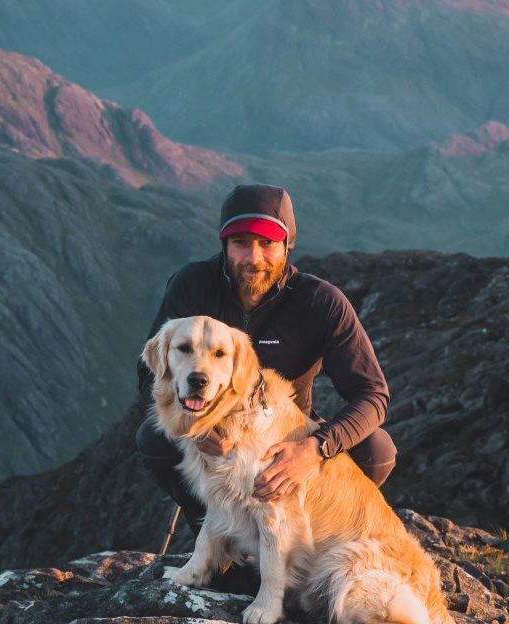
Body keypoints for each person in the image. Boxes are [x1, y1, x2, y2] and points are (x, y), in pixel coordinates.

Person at [135, 184, 396, 535]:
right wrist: (197, 431)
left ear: (287, 244)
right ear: (224, 245)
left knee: (376, 450)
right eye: (240, 242)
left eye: (267, 243)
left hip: (284, 431)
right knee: (153, 440)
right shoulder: (193, 285)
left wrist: (313, 448)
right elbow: (149, 372)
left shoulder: (320, 302)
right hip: (212, 428)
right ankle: (217, 540)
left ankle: (318, 537)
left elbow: (373, 394)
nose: (253, 258)